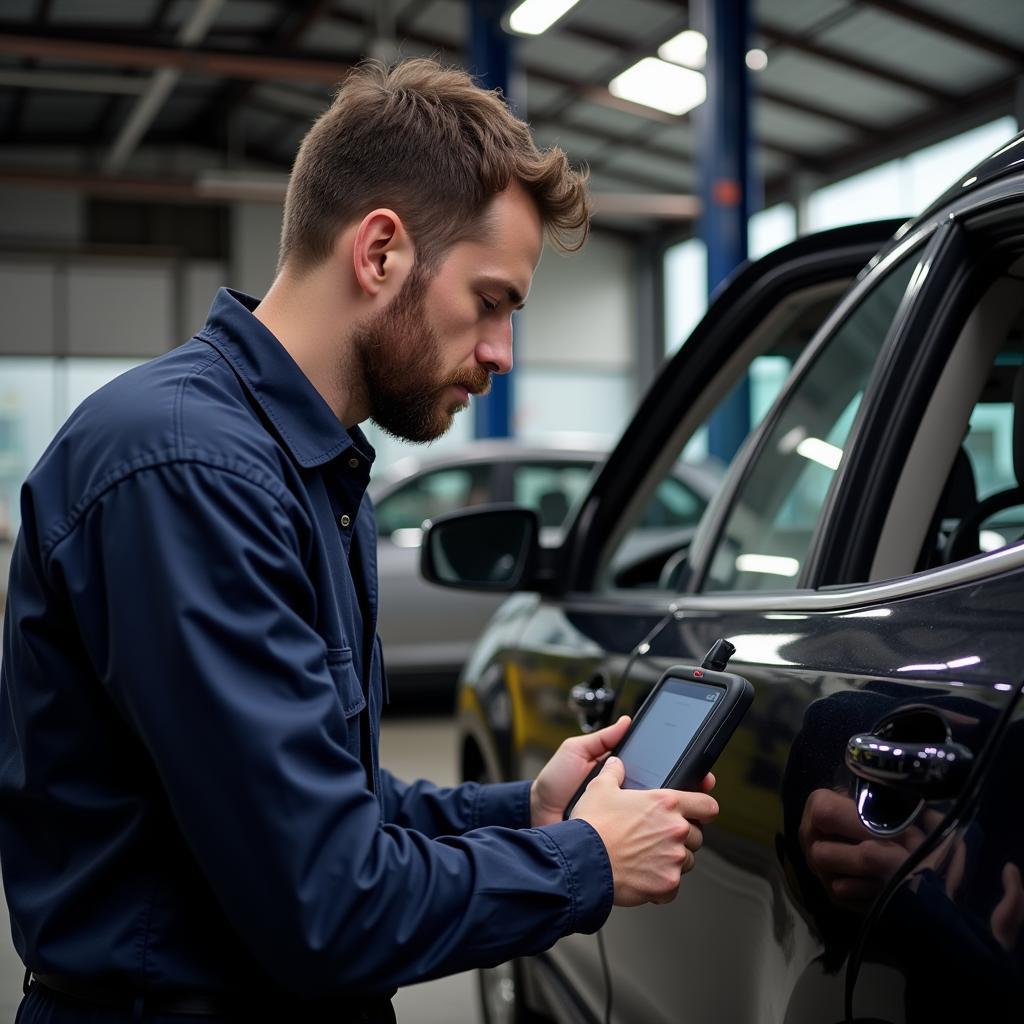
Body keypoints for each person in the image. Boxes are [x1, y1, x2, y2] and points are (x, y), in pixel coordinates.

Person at [0, 59, 719, 1023]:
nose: (503, 352)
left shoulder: (302, 466)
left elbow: (325, 798)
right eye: (493, 301)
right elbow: (327, 905)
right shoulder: (193, 473)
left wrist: (525, 812)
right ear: (379, 251)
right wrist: (581, 862)